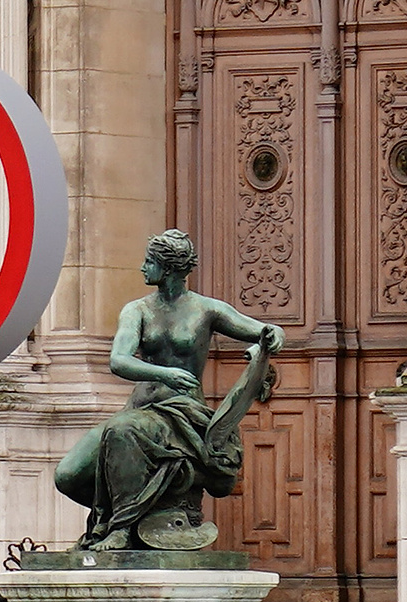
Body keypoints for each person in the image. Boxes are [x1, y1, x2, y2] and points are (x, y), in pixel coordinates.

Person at [54, 229, 282, 550]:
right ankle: (131, 513)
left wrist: (273, 336)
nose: (143, 268)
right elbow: (119, 360)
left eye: (150, 261)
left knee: (122, 432)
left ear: (170, 268)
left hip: (184, 414)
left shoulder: (207, 310)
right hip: (142, 409)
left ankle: (122, 527)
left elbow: (263, 330)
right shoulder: (138, 310)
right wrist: (165, 374)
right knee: (67, 474)